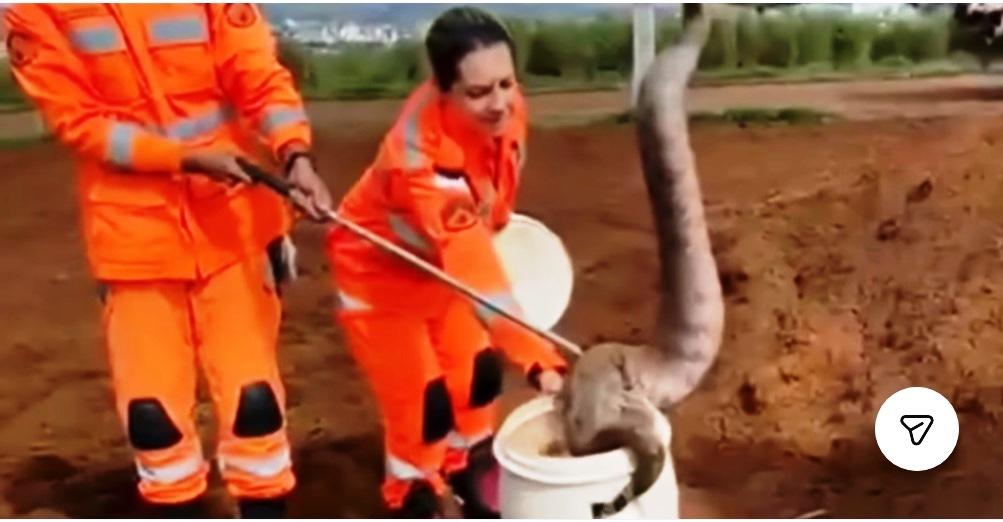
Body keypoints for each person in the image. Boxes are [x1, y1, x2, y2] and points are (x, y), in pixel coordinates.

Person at [4, 3, 333, 518]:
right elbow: (80, 123)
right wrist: (184, 158)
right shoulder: (32, 13)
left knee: (255, 407)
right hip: (133, 241)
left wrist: (296, 154)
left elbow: (256, 72)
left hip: (234, 227)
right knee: (154, 421)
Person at [325, 7, 567, 518]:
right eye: (479, 93)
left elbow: (488, 203)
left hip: (445, 266)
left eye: (506, 83)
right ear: (444, 89)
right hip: (381, 274)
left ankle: (470, 473)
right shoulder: (422, 160)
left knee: (477, 377)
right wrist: (539, 360)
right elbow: (472, 265)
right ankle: (412, 495)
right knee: (424, 406)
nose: (500, 103)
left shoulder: (507, 108)